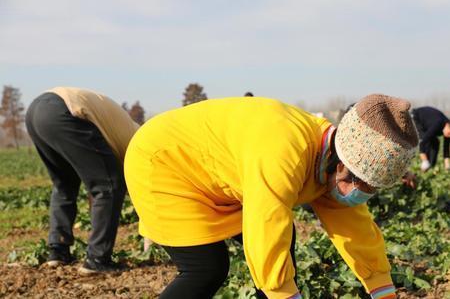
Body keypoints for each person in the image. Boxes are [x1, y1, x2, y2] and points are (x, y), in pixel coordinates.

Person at [124, 94, 418, 299]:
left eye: (371, 189)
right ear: (342, 164)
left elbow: (356, 231)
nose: (358, 195)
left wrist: (382, 289)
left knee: (283, 235)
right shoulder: (284, 152)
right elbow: (265, 227)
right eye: (360, 185)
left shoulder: (333, 163)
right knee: (206, 268)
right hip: (164, 163)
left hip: (218, 174)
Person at [25, 87, 139, 274]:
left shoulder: (126, 130)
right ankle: (97, 259)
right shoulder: (136, 142)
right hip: (63, 110)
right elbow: (132, 188)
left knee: (64, 184)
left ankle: (58, 252)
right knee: (109, 185)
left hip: (36, 112)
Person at [411, 106, 450, 171]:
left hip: (427, 125)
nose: (449, 136)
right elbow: (422, 141)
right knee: (426, 140)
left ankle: (431, 167)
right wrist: (424, 160)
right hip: (416, 117)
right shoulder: (438, 124)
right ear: (448, 125)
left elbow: (446, 148)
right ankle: (424, 165)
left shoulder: (447, 131)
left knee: (436, 142)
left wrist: (447, 165)